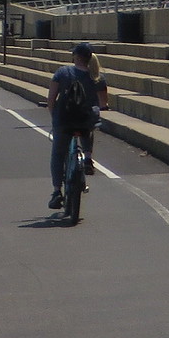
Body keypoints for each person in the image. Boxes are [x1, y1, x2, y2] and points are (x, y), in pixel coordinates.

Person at [47, 41, 109, 211]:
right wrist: (99, 106)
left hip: (63, 121)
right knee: (90, 126)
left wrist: (54, 118)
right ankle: (88, 157)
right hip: (84, 121)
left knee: (58, 154)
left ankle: (56, 192)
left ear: (75, 56)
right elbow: (103, 103)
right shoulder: (97, 77)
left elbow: (51, 99)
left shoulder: (62, 72)